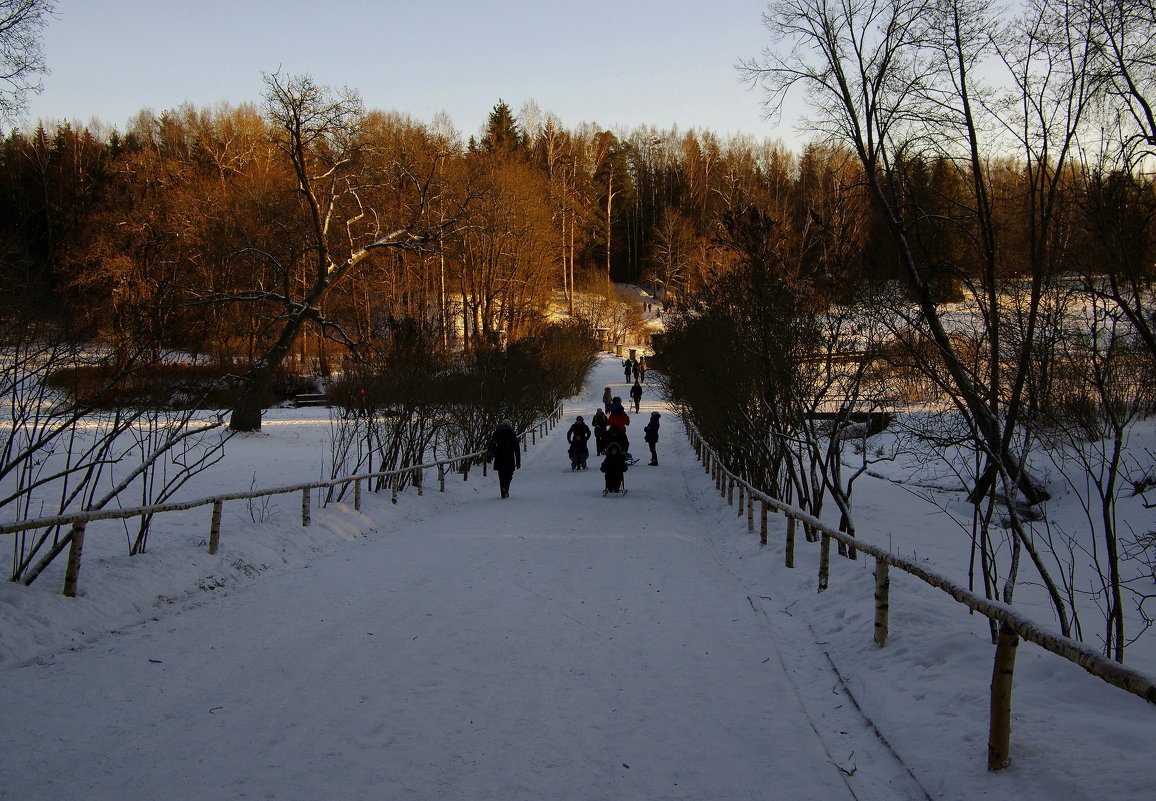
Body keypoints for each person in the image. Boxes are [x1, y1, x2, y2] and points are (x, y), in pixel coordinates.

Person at [486, 419, 521, 498]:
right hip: (509, 458)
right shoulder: (512, 434)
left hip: (499, 457)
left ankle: (503, 491)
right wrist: (518, 461)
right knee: (509, 474)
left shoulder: (497, 433)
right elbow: (517, 449)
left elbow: (490, 444)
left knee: (501, 476)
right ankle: (506, 488)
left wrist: (488, 457)